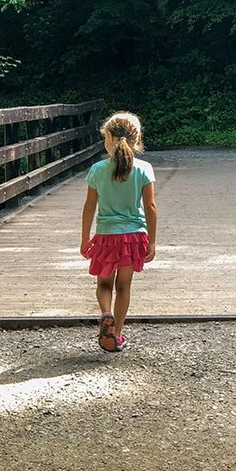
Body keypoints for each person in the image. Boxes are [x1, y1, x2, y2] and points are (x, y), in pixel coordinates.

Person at [80, 111, 157, 352]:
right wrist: (152, 242)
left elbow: (89, 206)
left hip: (106, 235)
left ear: (109, 138)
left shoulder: (98, 169)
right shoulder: (144, 169)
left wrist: (85, 238)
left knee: (104, 284)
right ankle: (118, 334)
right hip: (133, 236)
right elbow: (151, 207)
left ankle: (105, 313)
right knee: (124, 286)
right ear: (137, 139)